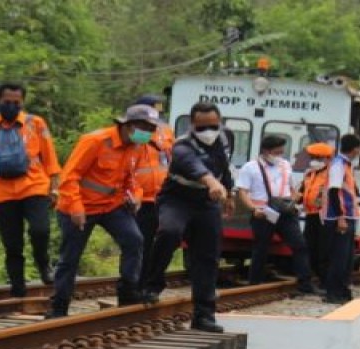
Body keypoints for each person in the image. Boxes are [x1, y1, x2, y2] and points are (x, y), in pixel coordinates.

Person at [46, 105, 159, 318]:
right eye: (144, 127)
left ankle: (128, 293)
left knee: (134, 240)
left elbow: (132, 179)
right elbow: (69, 177)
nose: (147, 133)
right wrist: (76, 208)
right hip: (79, 206)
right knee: (70, 258)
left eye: (151, 129)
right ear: (127, 124)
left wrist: (136, 196)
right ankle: (58, 307)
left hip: (112, 206)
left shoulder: (139, 147)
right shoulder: (95, 141)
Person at [141, 101, 233, 333]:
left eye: (213, 126)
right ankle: (153, 283)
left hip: (207, 203)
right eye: (201, 127)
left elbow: (224, 166)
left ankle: (204, 315)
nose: (208, 132)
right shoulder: (182, 146)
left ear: (220, 123)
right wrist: (212, 183)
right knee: (169, 232)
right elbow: (194, 167)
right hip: (177, 199)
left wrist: (228, 192)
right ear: (192, 125)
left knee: (207, 256)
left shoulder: (225, 138)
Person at [0, 82, 62, 296]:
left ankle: (43, 264)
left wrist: (55, 188)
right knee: (12, 243)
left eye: (16, 102)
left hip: (34, 186)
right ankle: (17, 286)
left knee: (40, 230)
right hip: (1, 191)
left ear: (23, 102)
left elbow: (50, 157)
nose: (11, 106)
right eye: (6, 101)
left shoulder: (35, 123)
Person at [234, 135, 315, 293]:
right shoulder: (250, 167)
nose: (280, 155)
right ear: (266, 151)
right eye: (277, 152)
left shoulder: (285, 165)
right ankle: (254, 285)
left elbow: (290, 187)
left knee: (300, 245)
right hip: (263, 213)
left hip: (286, 212)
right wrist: (253, 209)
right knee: (261, 249)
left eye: (281, 152)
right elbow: (242, 192)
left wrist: (296, 200)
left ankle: (305, 284)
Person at [131, 94, 174, 287]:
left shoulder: (166, 129)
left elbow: (171, 156)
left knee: (163, 242)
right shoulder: (135, 130)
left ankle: (150, 281)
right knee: (142, 242)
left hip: (163, 196)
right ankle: (137, 283)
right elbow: (135, 147)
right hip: (141, 197)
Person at [322, 134, 360, 304]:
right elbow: (333, 192)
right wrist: (340, 216)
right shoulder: (338, 165)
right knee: (339, 257)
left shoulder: (346, 165)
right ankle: (333, 292)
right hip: (340, 217)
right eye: (359, 148)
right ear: (355, 149)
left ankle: (342, 289)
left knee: (347, 258)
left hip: (348, 215)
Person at [298, 142, 335, 285]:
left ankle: (325, 281)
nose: (313, 160)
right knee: (309, 246)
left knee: (324, 249)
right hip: (311, 215)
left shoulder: (332, 174)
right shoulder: (310, 174)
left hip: (326, 216)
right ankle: (313, 276)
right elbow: (302, 193)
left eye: (317, 157)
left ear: (326, 158)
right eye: (312, 157)